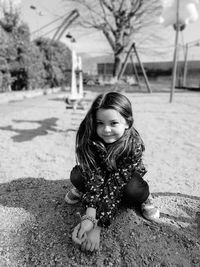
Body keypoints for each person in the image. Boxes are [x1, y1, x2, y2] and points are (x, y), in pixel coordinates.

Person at [65, 92, 160, 252]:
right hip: (100, 175)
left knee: (132, 189)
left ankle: (145, 197)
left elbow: (114, 186)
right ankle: (84, 191)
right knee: (77, 175)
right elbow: (95, 176)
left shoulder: (132, 145)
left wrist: (97, 226)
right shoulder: (91, 138)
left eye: (113, 123)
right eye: (100, 123)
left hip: (124, 177)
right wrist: (89, 215)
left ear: (127, 123)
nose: (106, 130)